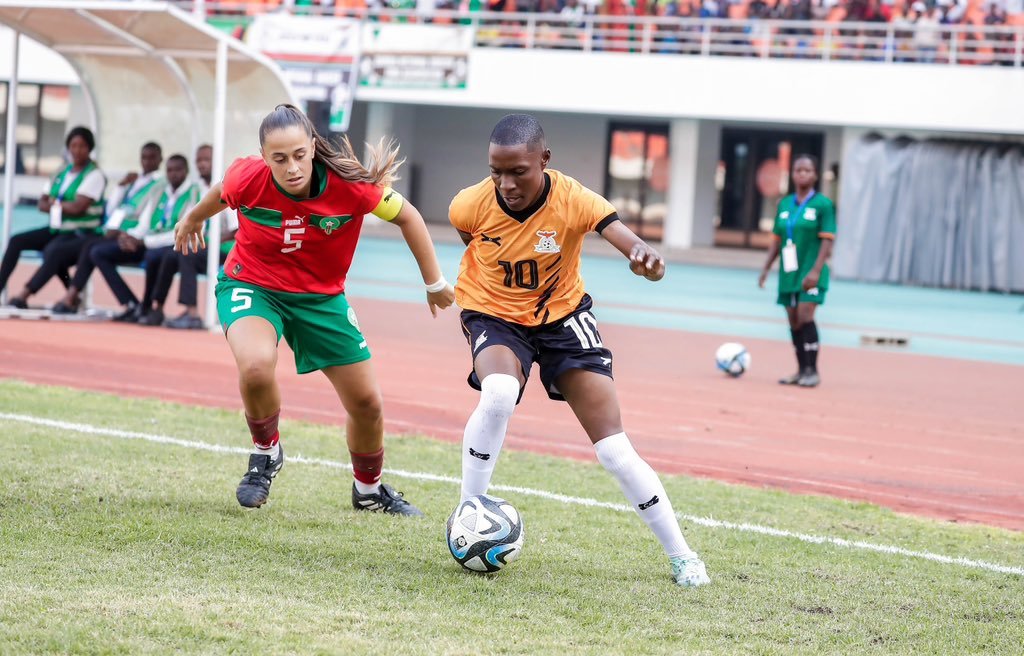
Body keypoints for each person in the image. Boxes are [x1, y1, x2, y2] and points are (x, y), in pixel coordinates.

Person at [448, 114, 710, 588]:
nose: (506, 184)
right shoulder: (468, 205)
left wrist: (644, 258)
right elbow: (472, 243)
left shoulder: (574, 199)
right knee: (500, 392)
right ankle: (471, 509)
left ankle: (683, 555)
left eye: (518, 172)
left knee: (614, 449)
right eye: (496, 172)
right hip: (494, 315)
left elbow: (625, 239)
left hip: (564, 320)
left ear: (544, 161)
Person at [174, 104, 455, 513]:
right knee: (255, 365)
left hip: (321, 299)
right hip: (252, 285)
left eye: (300, 155)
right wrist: (193, 218)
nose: (292, 167)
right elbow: (220, 194)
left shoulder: (350, 187)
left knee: (367, 404)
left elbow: (408, 216)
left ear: (313, 147)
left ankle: (369, 491)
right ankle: (266, 454)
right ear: (264, 157)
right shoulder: (247, 176)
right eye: (279, 158)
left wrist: (435, 283)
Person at [51, 142, 165, 314]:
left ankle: (76, 296)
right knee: (85, 247)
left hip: (133, 238)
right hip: (114, 231)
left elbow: (148, 219)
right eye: (144, 157)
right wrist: (121, 186)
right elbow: (112, 208)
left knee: (96, 251)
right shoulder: (134, 181)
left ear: (160, 159)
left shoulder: (160, 184)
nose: (147, 162)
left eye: (152, 158)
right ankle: (74, 294)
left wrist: (126, 234)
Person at [0, 126, 106, 308]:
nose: (77, 150)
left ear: (90, 148)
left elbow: (78, 208)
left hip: (81, 232)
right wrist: (60, 205)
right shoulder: (61, 172)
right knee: (17, 240)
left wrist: (54, 204)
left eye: (82, 146)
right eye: (73, 146)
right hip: (58, 227)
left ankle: (25, 294)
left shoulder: (95, 175)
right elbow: (41, 204)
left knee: (53, 250)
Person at [758, 154, 836, 388]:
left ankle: (813, 370)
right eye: (798, 170)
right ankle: (800, 370)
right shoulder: (784, 204)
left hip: (811, 271)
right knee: (793, 320)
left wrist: (815, 270)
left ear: (815, 175)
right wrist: (766, 268)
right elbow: (777, 239)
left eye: (807, 170)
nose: (802, 174)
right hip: (788, 273)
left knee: (805, 315)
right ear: (792, 175)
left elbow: (828, 241)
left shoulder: (823, 205)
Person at [156, 144, 239, 329]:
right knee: (172, 254)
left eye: (206, 160)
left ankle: (192, 314)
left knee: (189, 255)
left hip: (226, 248)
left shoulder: (227, 186)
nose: (202, 164)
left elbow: (236, 230)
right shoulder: (197, 189)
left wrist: (211, 242)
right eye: (199, 161)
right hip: (207, 245)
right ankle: (156, 307)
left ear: (216, 160)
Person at [128, 154, 203, 326]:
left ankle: (157, 306)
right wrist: (132, 236)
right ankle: (147, 306)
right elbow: (145, 222)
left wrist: (145, 242)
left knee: (165, 255)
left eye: (178, 170)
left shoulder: (193, 193)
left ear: (186, 171)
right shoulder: (160, 192)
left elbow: (186, 229)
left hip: (184, 242)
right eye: (169, 170)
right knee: (152, 255)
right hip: (158, 241)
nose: (174, 174)